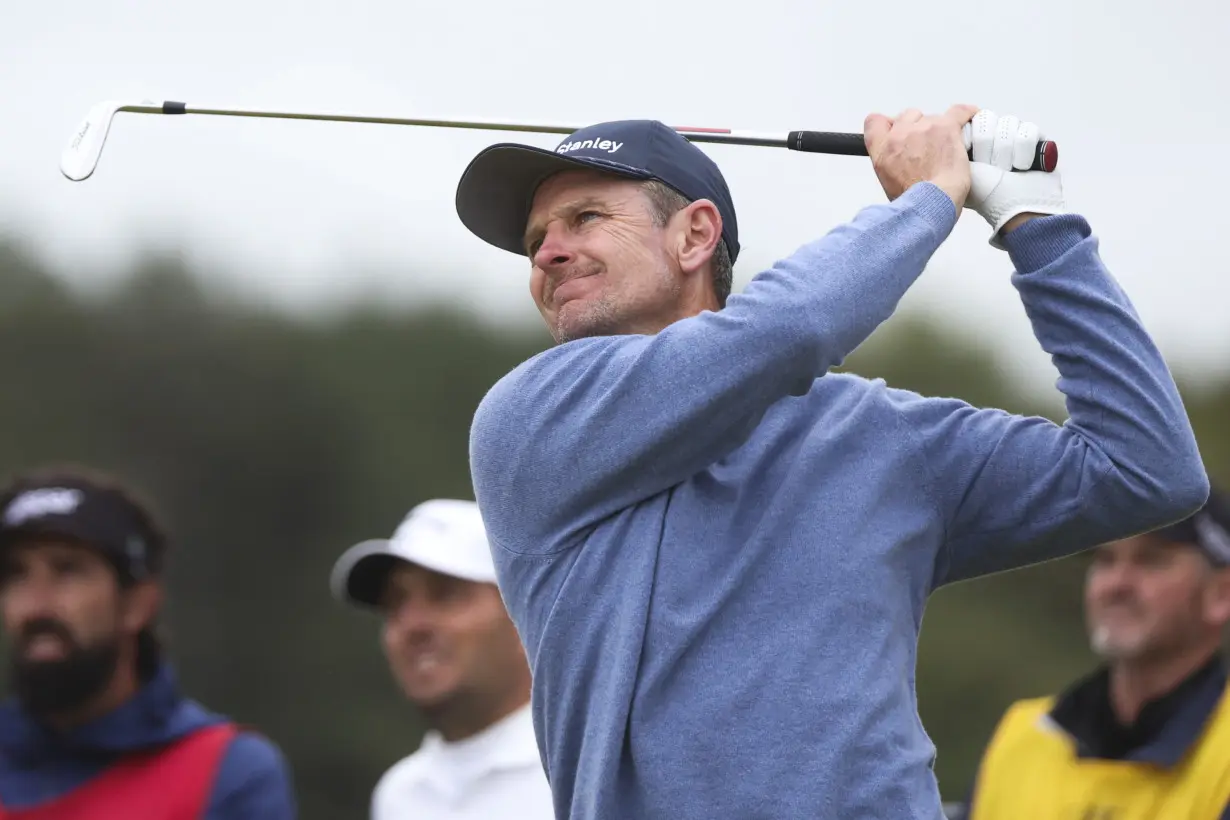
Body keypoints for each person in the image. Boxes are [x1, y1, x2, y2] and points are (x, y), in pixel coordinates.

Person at [455, 103, 1211, 819]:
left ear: (694, 238)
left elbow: (1148, 468)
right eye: (535, 243)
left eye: (584, 218)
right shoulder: (532, 420)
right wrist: (926, 200)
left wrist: (1034, 221)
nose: (549, 252)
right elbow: (786, 331)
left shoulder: (879, 436)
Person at [0, 463, 296, 818]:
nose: (36, 604)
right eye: (15, 574)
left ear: (137, 604)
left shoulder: (226, 772)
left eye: (67, 570)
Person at [960, 484, 1230, 819]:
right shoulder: (1021, 736)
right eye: (1105, 559)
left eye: (1151, 560)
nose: (1116, 583)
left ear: (1222, 594)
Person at [330, 498, 553, 820]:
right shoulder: (399, 795)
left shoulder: (592, 770)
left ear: (523, 615)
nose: (412, 625)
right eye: (394, 603)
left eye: (446, 594)